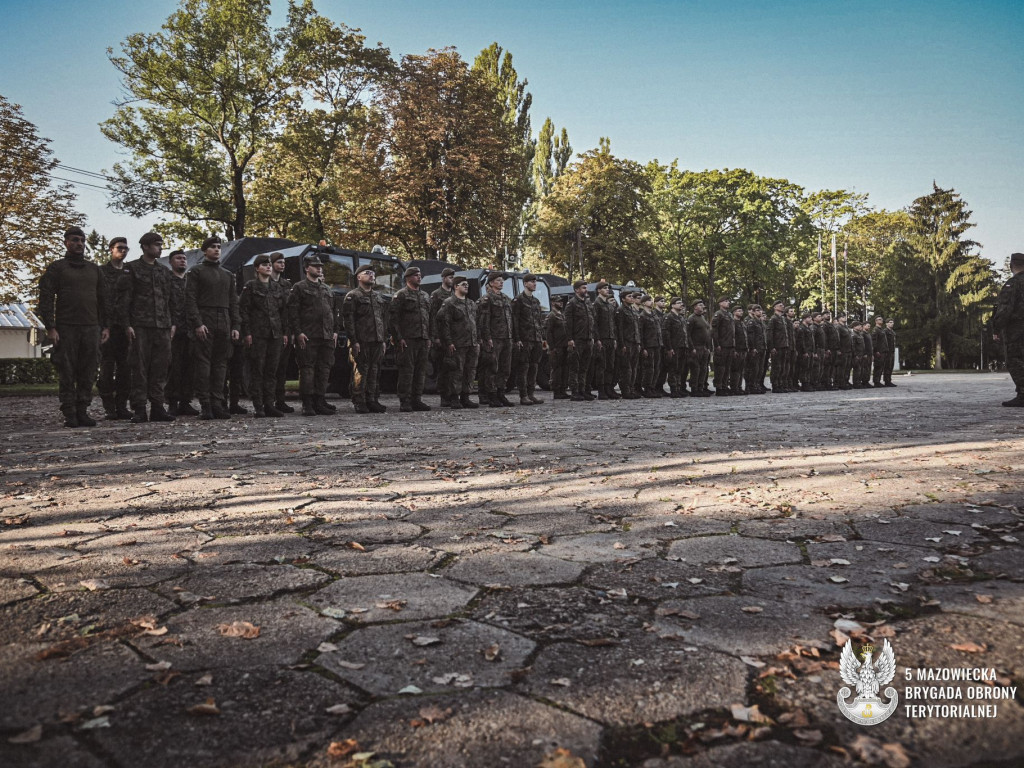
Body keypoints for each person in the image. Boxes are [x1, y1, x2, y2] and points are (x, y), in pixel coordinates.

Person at [37, 226, 109, 427]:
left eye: (82, 240)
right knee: (67, 370)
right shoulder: (57, 268)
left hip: (91, 327)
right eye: (75, 240)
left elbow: (104, 300)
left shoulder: (94, 269)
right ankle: (69, 412)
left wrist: (106, 327)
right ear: (66, 243)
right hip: (66, 328)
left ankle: (82, 410)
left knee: (88, 371)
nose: (79, 244)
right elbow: (46, 297)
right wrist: (50, 327)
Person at [119, 232, 176, 423]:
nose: (160, 248)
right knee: (139, 368)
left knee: (161, 368)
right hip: (140, 325)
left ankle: (158, 407)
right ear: (145, 247)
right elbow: (124, 299)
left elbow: (171, 300)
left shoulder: (164, 271)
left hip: (162, 326)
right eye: (156, 245)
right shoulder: (132, 269)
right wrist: (127, 324)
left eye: (161, 244)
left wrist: (172, 323)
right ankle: (140, 408)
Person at [186, 235, 239, 420]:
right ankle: (206, 404)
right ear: (205, 251)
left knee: (221, 365)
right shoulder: (196, 272)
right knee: (204, 365)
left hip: (224, 321)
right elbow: (190, 300)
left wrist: (235, 325)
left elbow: (234, 302)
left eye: (219, 247)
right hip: (205, 320)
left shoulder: (227, 275)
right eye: (213, 247)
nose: (217, 249)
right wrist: (198, 323)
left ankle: (217, 403)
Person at [287, 256, 338, 416]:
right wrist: (298, 332)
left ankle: (319, 400)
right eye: (316, 266)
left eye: (320, 266)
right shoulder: (299, 287)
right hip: (308, 335)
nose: (319, 268)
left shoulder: (326, 289)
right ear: (307, 268)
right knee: (307, 369)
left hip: (327, 335)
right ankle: (307, 403)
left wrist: (335, 331)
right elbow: (293, 312)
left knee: (324, 369)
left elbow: (333, 312)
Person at [240, 254, 286, 417]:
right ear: (257, 268)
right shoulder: (251, 286)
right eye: (264, 264)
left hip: (275, 334)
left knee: (271, 371)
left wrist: (284, 332)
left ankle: (269, 404)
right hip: (258, 334)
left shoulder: (277, 287)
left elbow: (282, 311)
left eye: (269, 264)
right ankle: (258, 406)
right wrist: (247, 333)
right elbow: (244, 311)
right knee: (257, 370)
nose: (268, 267)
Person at [342, 263, 388, 413]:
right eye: (367, 273)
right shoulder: (353, 296)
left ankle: (372, 399)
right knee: (361, 371)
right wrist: (353, 341)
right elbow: (348, 320)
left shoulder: (377, 296)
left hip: (376, 340)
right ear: (359, 277)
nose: (371, 275)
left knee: (374, 370)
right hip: (361, 340)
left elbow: (382, 319)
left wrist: (383, 340)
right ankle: (359, 400)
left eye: (373, 274)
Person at [389, 266, 432, 412]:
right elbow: (394, 319)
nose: (419, 277)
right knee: (407, 371)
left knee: (421, 371)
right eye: (415, 275)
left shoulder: (425, 296)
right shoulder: (401, 295)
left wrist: (429, 336)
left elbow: (429, 318)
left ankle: (416, 399)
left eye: (420, 275)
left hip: (422, 338)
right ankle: (405, 400)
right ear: (408, 278)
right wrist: (398, 337)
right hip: (408, 338)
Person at [98, 237, 132, 419]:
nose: (123, 251)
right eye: (120, 248)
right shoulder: (101, 272)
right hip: (107, 327)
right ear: (111, 249)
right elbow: (99, 301)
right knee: (106, 369)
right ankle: (109, 407)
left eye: (126, 248)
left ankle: (122, 406)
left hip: (124, 326)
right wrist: (104, 325)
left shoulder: (129, 272)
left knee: (125, 369)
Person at [436, 275, 480, 409]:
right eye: (463, 284)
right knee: (456, 372)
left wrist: (477, 340)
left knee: (470, 371)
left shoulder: (471, 303)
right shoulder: (449, 303)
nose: (466, 286)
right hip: (457, 344)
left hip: (471, 343)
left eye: (467, 284)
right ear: (456, 287)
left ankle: (466, 396)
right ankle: (454, 398)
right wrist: (448, 342)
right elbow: (444, 324)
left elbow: (475, 323)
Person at [165, 249, 199, 416]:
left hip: (191, 330)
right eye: (178, 258)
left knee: (190, 367)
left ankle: (186, 401)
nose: (182, 261)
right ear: (171, 262)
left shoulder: (191, 282)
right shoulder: (167, 281)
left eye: (184, 258)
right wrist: (170, 323)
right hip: (174, 330)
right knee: (174, 367)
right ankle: (172, 402)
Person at [476, 272, 516, 407]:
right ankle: (491, 395)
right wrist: (487, 338)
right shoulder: (487, 299)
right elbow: (484, 321)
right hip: (494, 338)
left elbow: (511, 319)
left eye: (502, 280)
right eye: (498, 280)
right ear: (491, 283)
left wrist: (513, 336)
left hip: (507, 337)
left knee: (505, 368)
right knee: (492, 367)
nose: (501, 282)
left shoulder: (506, 299)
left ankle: (501, 393)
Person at [992, 252, 1024, 407]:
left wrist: (996, 329)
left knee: (1015, 360)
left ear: (1011, 266)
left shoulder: (1013, 284)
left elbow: (1005, 310)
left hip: (1017, 330)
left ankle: (1023, 394)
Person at [511, 274, 546, 405]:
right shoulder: (518, 300)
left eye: (535, 282)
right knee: (523, 368)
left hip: (536, 339)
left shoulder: (536, 301)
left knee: (534, 367)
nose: (534, 284)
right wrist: (517, 338)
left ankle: (531, 394)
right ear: (525, 283)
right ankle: (523, 395)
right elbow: (515, 321)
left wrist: (541, 337)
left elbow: (538, 321)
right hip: (525, 339)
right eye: (532, 282)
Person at [269, 252, 295, 413]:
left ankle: (280, 400)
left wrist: (290, 331)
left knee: (282, 369)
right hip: (269, 331)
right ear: (271, 264)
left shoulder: (286, 285)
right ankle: (268, 401)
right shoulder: (264, 282)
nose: (282, 264)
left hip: (285, 331)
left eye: (283, 262)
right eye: (279, 262)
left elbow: (290, 310)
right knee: (269, 368)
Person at [564, 279, 596, 401]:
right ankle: (574, 391)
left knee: (584, 367)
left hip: (588, 338)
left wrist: (592, 336)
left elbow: (592, 321)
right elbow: (568, 323)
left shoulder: (587, 303)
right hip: (577, 339)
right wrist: (570, 339)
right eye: (583, 288)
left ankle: (583, 390)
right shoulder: (571, 303)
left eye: (586, 287)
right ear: (577, 290)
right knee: (575, 367)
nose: (585, 290)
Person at [429, 268, 456, 406]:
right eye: (450, 277)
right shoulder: (436, 295)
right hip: (441, 336)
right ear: (443, 278)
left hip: (453, 336)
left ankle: (452, 394)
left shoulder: (454, 294)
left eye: (453, 277)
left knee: (453, 367)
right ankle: (444, 396)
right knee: (443, 367)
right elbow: (433, 317)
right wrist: (435, 337)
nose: (452, 279)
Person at [591, 281, 618, 399]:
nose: (607, 290)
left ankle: (609, 388)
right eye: (605, 288)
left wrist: (614, 338)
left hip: (610, 338)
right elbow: (594, 323)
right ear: (599, 290)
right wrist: (597, 339)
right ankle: (601, 390)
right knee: (601, 365)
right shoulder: (596, 304)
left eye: (608, 288)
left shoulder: (608, 305)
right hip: (602, 338)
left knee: (610, 365)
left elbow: (613, 323)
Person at [616, 290, 642, 399]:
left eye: (632, 296)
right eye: (629, 296)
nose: (632, 298)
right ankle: (625, 390)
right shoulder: (621, 310)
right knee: (626, 368)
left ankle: (631, 389)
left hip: (634, 342)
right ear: (623, 299)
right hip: (626, 342)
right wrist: (622, 344)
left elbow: (636, 328)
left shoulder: (633, 310)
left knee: (634, 367)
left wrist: (639, 342)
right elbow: (619, 329)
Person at [663, 297, 690, 397]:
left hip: (682, 346)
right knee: (673, 369)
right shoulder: (669, 317)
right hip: (674, 347)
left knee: (680, 369)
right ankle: (673, 389)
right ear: (672, 305)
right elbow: (666, 333)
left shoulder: (681, 318)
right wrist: (669, 348)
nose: (681, 305)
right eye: (678, 303)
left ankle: (678, 388)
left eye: (681, 303)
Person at [638, 294, 663, 397]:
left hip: (657, 344)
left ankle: (652, 387)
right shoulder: (642, 316)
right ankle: (647, 388)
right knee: (649, 368)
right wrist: (643, 347)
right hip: (648, 345)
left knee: (657, 367)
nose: (651, 302)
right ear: (644, 303)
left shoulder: (654, 314)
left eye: (651, 300)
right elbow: (641, 333)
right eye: (648, 300)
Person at [687, 299, 712, 396]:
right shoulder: (692, 318)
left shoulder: (702, 318)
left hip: (704, 347)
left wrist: (708, 347)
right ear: (695, 307)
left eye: (703, 305)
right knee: (696, 369)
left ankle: (701, 387)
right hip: (696, 347)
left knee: (703, 369)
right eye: (700, 305)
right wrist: (691, 347)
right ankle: (694, 388)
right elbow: (688, 334)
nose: (702, 307)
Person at [545, 295, 569, 399]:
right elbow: (548, 332)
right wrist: (552, 347)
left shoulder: (562, 315)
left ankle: (563, 389)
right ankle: (556, 390)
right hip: (556, 346)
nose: (561, 303)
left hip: (564, 346)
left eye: (561, 302)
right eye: (558, 302)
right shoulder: (551, 316)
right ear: (553, 303)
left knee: (564, 369)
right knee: (556, 369)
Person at [711, 296, 735, 395]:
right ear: (720, 303)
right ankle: (719, 387)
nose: (728, 303)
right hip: (722, 345)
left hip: (729, 344)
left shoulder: (729, 314)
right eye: (725, 301)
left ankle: (725, 386)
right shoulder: (718, 314)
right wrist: (717, 344)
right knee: (720, 368)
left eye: (728, 301)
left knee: (727, 367)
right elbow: (714, 331)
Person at [768, 300, 790, 393]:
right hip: (777, 346)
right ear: (775, 307)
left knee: (782, 367)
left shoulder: (783, 319)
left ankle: (780, 384)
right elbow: (770, 333)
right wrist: (772, 347)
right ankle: (775, 385)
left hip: (784, 345)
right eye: (780, 305)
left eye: (783, 305)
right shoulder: (773, 319)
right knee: (776, 367)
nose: (782, 307)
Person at [745, 304, 767, 394]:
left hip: (762, 348)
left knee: (760, 368)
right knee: (754, 368)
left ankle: (757, 385)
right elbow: (750, 337)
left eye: (760, 310)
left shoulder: (761, 322)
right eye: (757, 310)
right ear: (753, 312)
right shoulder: (751, 322)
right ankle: (751, 386)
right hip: (755, 348)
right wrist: (752, 347)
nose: (760, 312)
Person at [835, 313, 853, 390]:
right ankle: (840, 383)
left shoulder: (846, 327)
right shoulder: (838, 327)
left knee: (847, 367)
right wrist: (838, 349)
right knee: (842, 368)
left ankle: (845, 382)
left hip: (848, 350)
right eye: (842, 317)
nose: (844, 318)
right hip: (843, 350)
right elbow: (837, 339)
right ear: (839, 319)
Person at [871, 316, 889, 388]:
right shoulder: (875, 329)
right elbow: (874, 341)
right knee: (878, 366)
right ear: (876, 321)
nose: (881, 320)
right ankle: (876, 381)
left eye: (882, 319)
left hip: (883, 351)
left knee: (881, 367)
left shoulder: (881, 330)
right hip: (879, 351)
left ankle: (878, 381)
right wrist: (876, 351)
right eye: (879, 319)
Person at [883, 319, 898, 386]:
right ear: (886, 324)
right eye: (890, 322)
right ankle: (886, 381)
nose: (892, 323)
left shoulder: (892, 332)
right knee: (887, 366)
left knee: (891, 366)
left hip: (892, 351)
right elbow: (884, 342)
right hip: (887, 351)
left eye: (892, 322)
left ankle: (889, 380)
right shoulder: (885, 331)